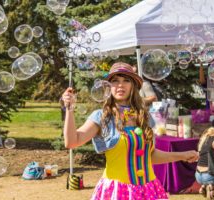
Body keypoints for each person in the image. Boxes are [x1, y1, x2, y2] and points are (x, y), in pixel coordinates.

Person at [62, 62, 199, 200]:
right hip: (117, 191)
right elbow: (72, 141)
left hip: (149, 190)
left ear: (133, 85)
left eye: (126, 80)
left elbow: (149, 156)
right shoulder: (102, 117)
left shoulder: (144, 116)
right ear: (108, 87)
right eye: (115, 81)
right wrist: (69, 108)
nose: (120, 85)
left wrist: (183, 155)